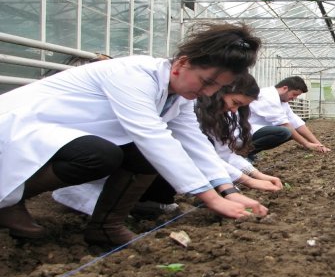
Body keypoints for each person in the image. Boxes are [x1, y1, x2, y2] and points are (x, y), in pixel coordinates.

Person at [0, 22, 265, 245]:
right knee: (102, 154)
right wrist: (210, 199)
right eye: (207, 82)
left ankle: (106, 227)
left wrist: (228, 191)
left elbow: (193, 142)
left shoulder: (179, 96)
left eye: (217, 87)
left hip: (66, 134)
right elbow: (152, 136)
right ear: (182, 63)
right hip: (25, 125)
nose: (208, 93)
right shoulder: (133, 75)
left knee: (139, 156)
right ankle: (9, 200)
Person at [53, 73, 281, 217]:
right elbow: (178, 150)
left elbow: (208, 153)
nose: (234, 110)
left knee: (168, 173)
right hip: (91, 152)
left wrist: (245, 179)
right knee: (156, 161)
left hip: (129, 154)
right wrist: (219, 195)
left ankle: (127, 206)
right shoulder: (182, 100)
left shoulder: (197, 109)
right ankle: (99, 200)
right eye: (234, 103)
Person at [247, 76, 330, 159]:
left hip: (256, 130)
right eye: (294, 94)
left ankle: (249, 153)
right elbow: (284, 125)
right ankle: (243, 153)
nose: (294, 98)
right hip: (244, 131)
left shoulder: (281, 101)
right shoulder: (268, 97)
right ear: (285, 88)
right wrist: (307, 144)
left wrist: (319, 145)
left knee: (290, 133)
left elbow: (296, 123)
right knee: (285, 132)